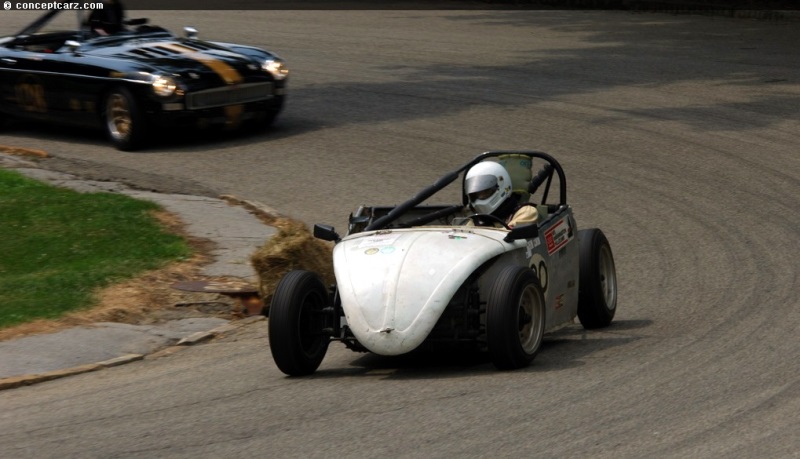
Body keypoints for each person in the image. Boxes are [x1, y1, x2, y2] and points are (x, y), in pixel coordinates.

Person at [464, 161, 538, 228]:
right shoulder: (475, 221)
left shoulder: (526, 212)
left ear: (500, 185)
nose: (478, 198)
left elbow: (509, 236)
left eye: (484, 192)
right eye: (474, 195)